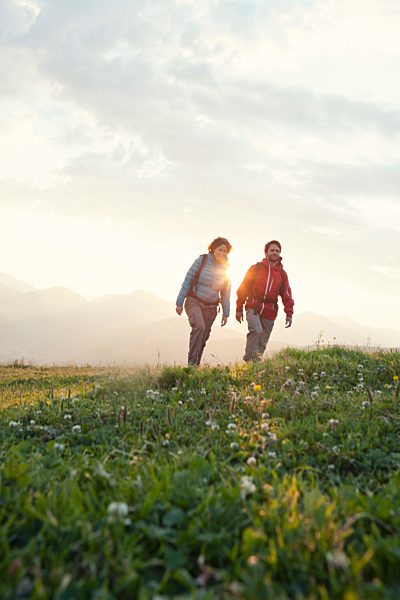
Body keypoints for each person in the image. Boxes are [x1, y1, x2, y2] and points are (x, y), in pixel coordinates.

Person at [176, 237, 232, 366]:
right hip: (194, 301)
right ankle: (191, 365)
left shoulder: (226, 269)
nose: (222, 253)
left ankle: (196, 365)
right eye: (220, 250)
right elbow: (188, 280)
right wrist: (179, 302)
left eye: (225, 251)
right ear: (213, 249)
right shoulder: (202, 260)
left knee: (204, 336)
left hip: (211, 307)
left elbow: (226, 293)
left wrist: (225, 313)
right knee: (199, 327)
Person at [235, 240, 294, 362]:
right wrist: (239, 308)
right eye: (272, 250)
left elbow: (286, 295)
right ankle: (249, 359)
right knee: (256, 330)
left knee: (263, 340)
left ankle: (256, 364)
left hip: (270, 310)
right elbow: (243, 288)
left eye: (277, 251)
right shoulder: (255, 268)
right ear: (266, 252)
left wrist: (289, 314)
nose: (275, 253)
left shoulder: (282, 274)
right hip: (253, 306)